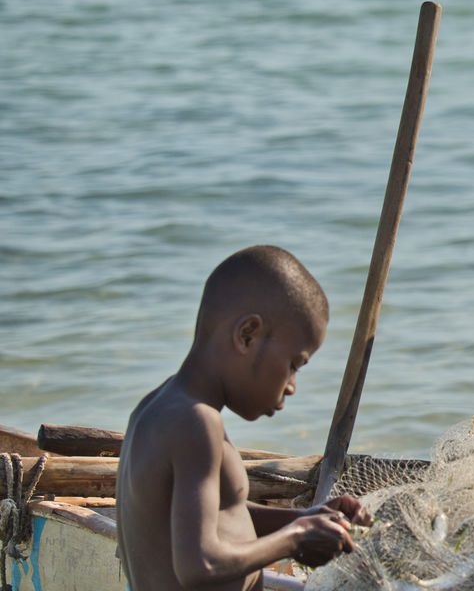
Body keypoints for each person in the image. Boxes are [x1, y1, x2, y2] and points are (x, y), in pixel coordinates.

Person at [117, 245, 371, 590]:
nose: (292, 386)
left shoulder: (156, 408)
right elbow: (199, 565)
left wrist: (307, 518)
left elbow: (216, 516)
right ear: (247, 335)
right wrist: (295, 540)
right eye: (294, 365)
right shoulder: (197, 423)